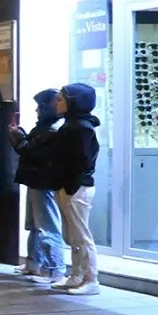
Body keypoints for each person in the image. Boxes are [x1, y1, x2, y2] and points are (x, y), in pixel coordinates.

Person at [10, 88, 65, 283]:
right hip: (36, 179)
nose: (37, 110)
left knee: (46, 225)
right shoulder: (49, 128)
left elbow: (31, 151)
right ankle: (34, 263)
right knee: (35, 224)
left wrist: (17, 135)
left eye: (41, 106)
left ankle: (54, 268)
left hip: (43, 180)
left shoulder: (53, 129)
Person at [51, 83, 100, 295]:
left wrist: (69, 185)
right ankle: (77, 274)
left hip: (76, 187)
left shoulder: (80, 128)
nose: (57, 103)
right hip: (69, 185)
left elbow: (81, 161)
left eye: (61, 99)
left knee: (81, 234)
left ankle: (91, 278)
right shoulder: (72, 126)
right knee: (72, 234)